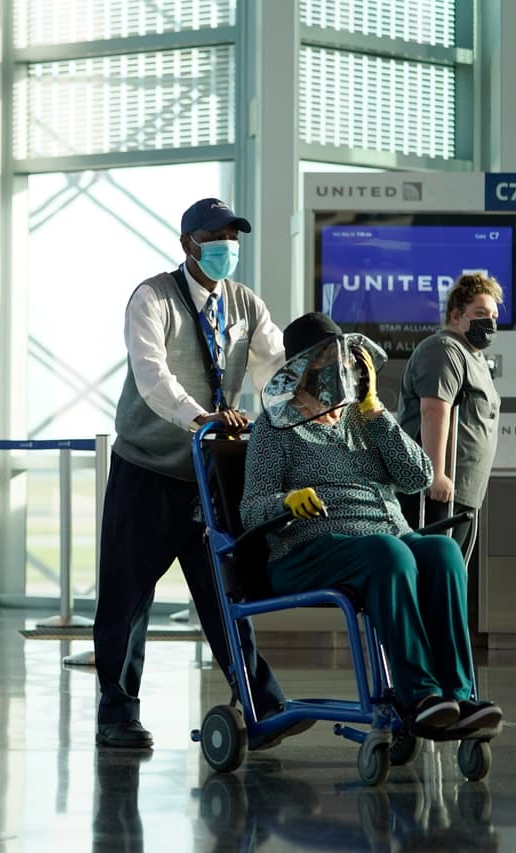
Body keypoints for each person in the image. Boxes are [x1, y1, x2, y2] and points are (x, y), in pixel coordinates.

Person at [94, 197, 296, 750]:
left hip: (210, 475)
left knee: (224, 591)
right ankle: (117, 714)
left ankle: (262, 702)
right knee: (128, 596)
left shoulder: (244, 304)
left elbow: (273, 367)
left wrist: (303, 402)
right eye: (216, 236)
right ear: (188, 244)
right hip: (148, 469)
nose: (227, 247)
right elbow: (152, 374)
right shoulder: (152, 298)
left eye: (234, 236)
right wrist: (200, 416)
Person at [242, 311, 502, 734]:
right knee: (389, 552)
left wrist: (376, 411)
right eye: (328, 360)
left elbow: (418, 476)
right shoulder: (275, 428)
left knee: (443, 550)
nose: (340, 368)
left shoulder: (363, 419)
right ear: (300, 370)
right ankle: (418, 695)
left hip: (384, 540)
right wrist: (286, 501)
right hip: (309, 549)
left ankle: (458, 696)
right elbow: (251, 508)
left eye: (344, 359)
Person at [396, 273, 502, 564]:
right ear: (456, 316)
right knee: (433, 572)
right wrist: (435, 473)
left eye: (493, 315)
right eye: (480, 313)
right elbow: (434, 410)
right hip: (436, 493)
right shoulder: (444, 349)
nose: (489, 322)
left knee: (452, 573)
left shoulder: (474, 357)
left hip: (465, 490)